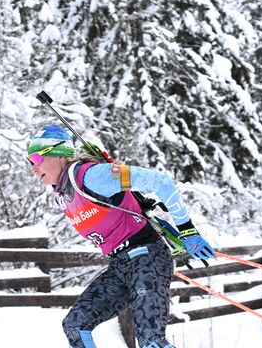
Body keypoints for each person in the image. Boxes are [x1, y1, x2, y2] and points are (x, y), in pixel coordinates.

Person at [26, 124, 215, 348]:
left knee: (151, 342)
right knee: (75, 325)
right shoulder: (64, 194)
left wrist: (188, 231)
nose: (33, 168)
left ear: (58, 154)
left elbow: (161, 182)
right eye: (29, 162)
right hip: (120, 265)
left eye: (36, 159)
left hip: (147, 258)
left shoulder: (93, 176)